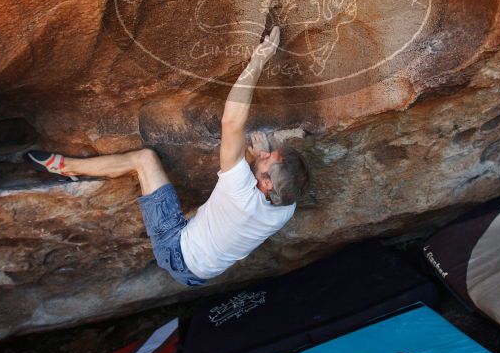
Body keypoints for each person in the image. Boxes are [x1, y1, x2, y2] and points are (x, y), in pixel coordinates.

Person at [26, 26, 309, 286]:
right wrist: (258, 159)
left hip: (174, 249)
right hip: (203, 275)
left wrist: (258, 61)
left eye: (270, 158)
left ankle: (68, 167)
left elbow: (231, 122)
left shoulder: (239, 191)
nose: (268, 152)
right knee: (202, 213)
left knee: (145, 160)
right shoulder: (285, 209)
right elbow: (253, 190)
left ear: (266, 183)